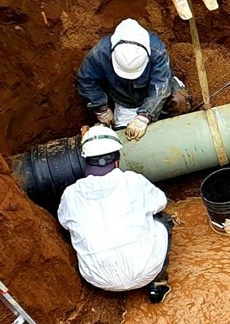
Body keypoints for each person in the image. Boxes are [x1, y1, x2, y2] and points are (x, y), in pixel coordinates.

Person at [57, 124, 173, 303]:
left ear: (85, 161)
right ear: (117, 159)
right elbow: (160, 202)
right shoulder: (132, 181)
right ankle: (158, 284)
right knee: (162, 219)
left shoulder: (70, 194)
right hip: (146, 270)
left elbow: (64, 223)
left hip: (99, 279)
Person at [76, 18, 191, 141]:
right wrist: (101, 108)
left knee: (180, 101)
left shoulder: (157, 51)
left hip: (155, 92)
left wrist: (144, 116)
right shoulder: (100, 53)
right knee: (127, 138)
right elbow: (86, 80)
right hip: (125, 100)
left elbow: (160, 85)